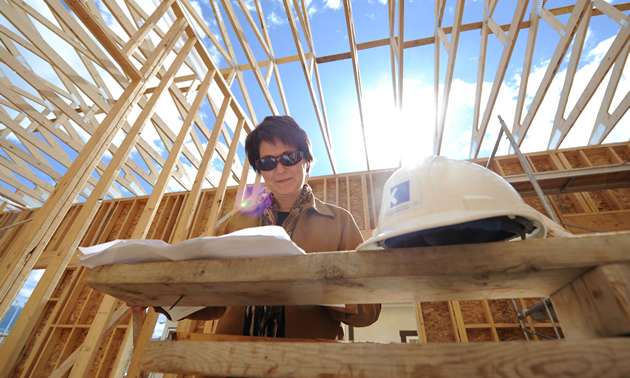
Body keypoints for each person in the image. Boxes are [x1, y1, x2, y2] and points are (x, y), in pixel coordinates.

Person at [134, 116, 381, 340]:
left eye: (289, 157)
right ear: (260, 170)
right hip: (231, 362)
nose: (280, 169)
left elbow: (368, 311)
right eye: (267, 162)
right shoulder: (238, 223)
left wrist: (317, 287)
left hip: (306, 364)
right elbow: (215, 302)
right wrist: (157, 296)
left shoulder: (339, 221)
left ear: (305, 160)